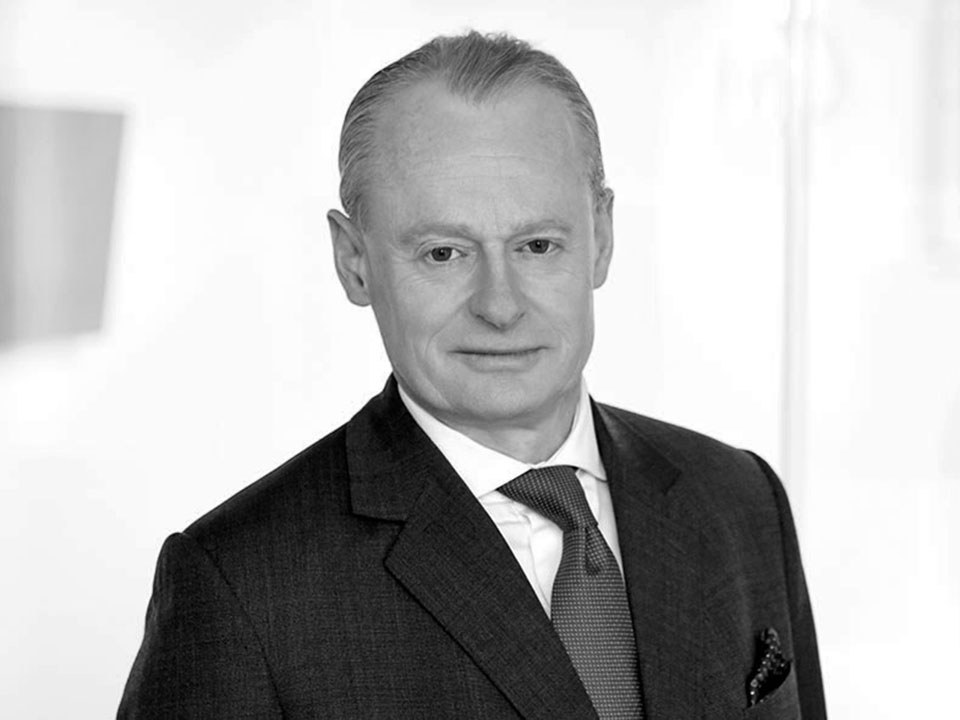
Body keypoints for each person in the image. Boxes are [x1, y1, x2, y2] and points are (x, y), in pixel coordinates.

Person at [118, 31, 826, 719]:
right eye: (444, 253)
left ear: (602, 238)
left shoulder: (741, 501)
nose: (500, 305)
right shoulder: (241, 586)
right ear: (354, 261)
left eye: (538, 245)